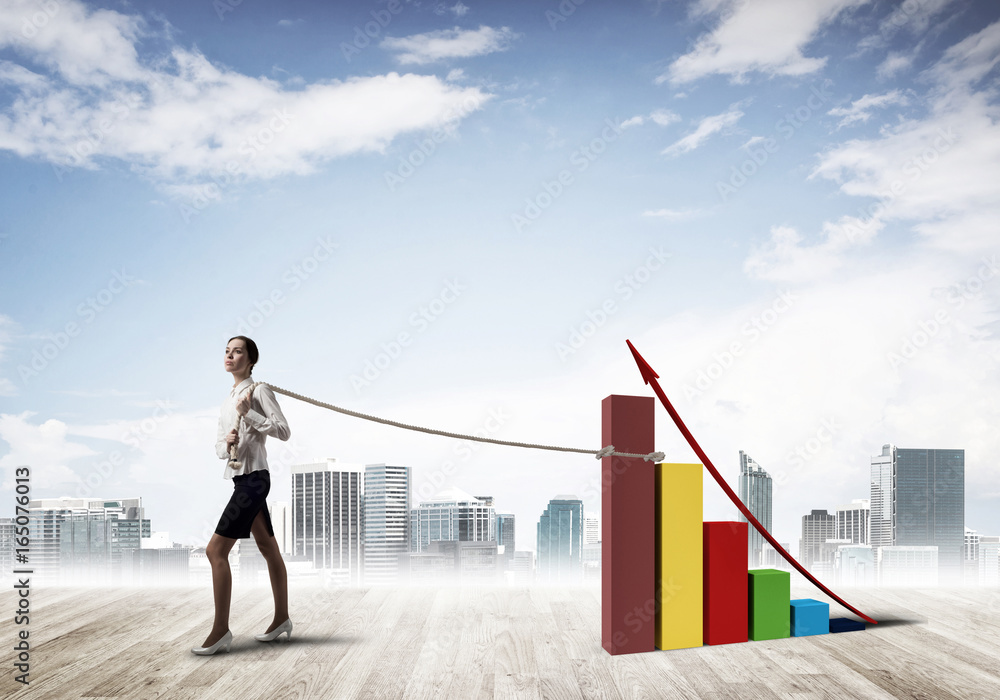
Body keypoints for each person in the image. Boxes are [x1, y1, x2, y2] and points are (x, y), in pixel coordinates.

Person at [191, 335, 293, 655]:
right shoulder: (226, 401)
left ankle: (221, 630)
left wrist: (250, 415)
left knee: (214, 551)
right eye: (226, 351)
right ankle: (282, 619)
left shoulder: (258, 390)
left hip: (255, 481)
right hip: (240, 480)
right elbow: (220, 449)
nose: (230, 356)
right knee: (267, 547)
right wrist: (228, 440)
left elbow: (283, 431)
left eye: (237, 352)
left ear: (250, 360)